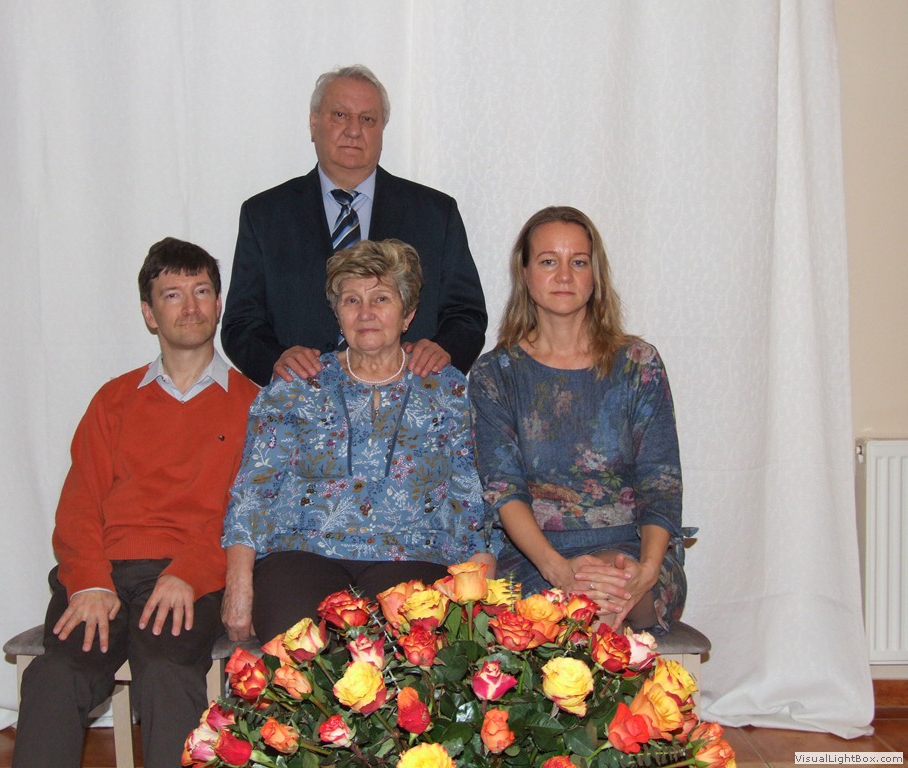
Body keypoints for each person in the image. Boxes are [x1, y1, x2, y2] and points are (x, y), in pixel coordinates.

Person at [12, 238, 259, 768]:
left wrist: (189, 573)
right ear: (149, 314)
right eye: (172, 294)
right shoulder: (114, 399)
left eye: (202, 291)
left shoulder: (253, 405)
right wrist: (90, 581)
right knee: (57, 674)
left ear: (219, 304)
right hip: (103, 573)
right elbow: (79, 503)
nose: (190, 306)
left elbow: (249, 512)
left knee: (167, 673)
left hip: (189, 575)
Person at [221, 239, 499, 643]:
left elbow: (469, 495)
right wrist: (238, 583)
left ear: (408, 314)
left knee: (403, 649)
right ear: (338, 314)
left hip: (412, 555)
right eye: (352, 300)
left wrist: (480, 574)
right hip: (302, 553)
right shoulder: (296, 384)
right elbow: (253, 491)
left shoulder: (445, 389)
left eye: (381, 298)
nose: (366, 312)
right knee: (296, 644)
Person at [469, 207, 686, 633]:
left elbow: (661, 483)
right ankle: (601, 659)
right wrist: (559, 570)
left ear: (594, 275)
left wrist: (647, 569)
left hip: (634, 555)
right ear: (525, 274)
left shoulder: (638, 364)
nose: (565, 276)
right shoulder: (495, 375)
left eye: (579, 262)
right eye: (549, 261)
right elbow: (504, 491)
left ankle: (592, 646)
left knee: (602, 594)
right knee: (586, 603)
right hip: (537, 560)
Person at [221, 63, 487, 387]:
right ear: (314, 123)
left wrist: (443, 352)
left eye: (367, 119)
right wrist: (276, 361)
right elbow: (241, 324)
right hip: (303, 402)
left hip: (409, 399)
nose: (353, 130)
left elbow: (467, 315)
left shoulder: (435, 214)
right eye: (340, 115)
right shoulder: (264, 215)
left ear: (382, 129)